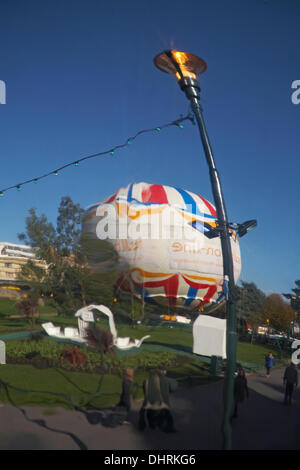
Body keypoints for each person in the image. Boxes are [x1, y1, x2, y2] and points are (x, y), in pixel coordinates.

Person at [139, 365, 178, 433]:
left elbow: (144, 389)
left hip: (148, 402)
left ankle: (152, 425)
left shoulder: (147, 379)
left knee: (149, 411)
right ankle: (169, 428)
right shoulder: (167, 380)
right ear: (163, 371)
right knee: (167, 414)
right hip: (162, 403)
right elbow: (173, 388)